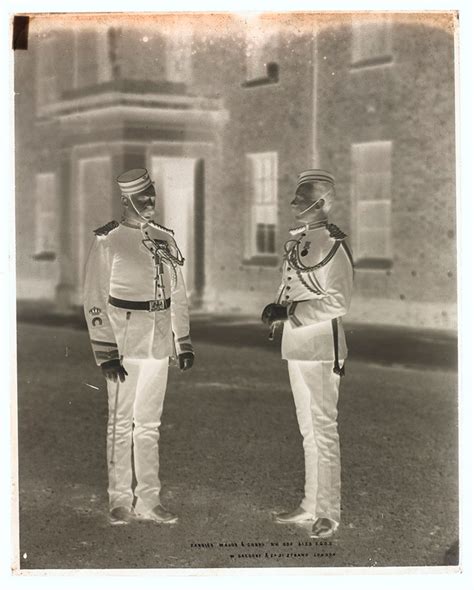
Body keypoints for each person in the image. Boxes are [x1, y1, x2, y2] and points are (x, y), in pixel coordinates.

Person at [83, 168, 194, 526]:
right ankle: (119, 499)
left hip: (159, 343)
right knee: (120, 423)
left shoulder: (165, 238)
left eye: (153, 196)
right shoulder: (108, 241)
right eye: (144, 198)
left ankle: (149, 499)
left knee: (149, 424)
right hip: (125, 344)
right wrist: (107, 353)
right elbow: (95, 301)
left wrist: (184, 341)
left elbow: (178, 294)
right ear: (126, 200)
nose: (151, 203)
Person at [261, 169, 354, 539]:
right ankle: (310, 503)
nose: (293, 202)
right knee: (307, 431)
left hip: (320, 348)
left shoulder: (334, 245)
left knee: (324, 430)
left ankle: (329, 512)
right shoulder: (299, 242)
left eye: (301, 197)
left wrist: (290, 314)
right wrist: (276, 309)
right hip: (297, 346)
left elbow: (339, 301)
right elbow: (291, 287)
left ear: (322, 204)